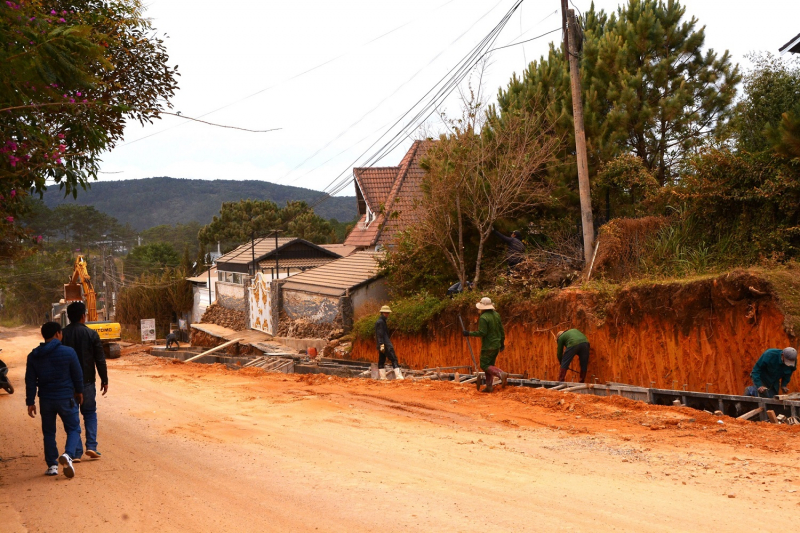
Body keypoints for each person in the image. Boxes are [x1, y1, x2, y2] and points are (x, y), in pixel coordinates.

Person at [25, 322, 84, 478]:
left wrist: (30, 402)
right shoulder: (69, 352)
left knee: (49, 432)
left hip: (46, 400)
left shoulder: (34, 356)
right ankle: (69, 455)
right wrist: (80, 391)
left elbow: (30, 381)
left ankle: (52, 465)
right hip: (66, 398)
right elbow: (77, 375)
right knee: (74, 429)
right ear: (58, 334)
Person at [61, 301, 108, 461]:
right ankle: (92, 446)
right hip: (87, 381)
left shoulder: (61, 334)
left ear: (68, 317)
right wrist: (104, 379)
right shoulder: (91, 334)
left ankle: (76, 452)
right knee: (89, 412)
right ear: (83, 316)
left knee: (72, 416)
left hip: (68, 384)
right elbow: (100, 359)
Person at [463, 297, 508, 392]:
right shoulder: (496, 315)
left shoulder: (484, 318)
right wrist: (502, 343)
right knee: (490, 365)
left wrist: (469, 333)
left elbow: (482, 332)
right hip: (496, 344)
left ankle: (500, 374)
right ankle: (489, 386)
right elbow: (501, 330)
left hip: (488, 345)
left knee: (484, 365)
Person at [375, 305, 402, 379]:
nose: (387, 314)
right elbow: (380, 334)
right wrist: (382, 345)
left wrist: (380, 345)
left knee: (382, 360)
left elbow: (380, 334)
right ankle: (399, 376)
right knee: (393, 358)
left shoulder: (381, 321)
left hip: (382, 344)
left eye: (388, 313)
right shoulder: (381, 322)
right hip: (385, 344)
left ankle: (383, 377)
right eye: (386, 313)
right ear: (382, 312)